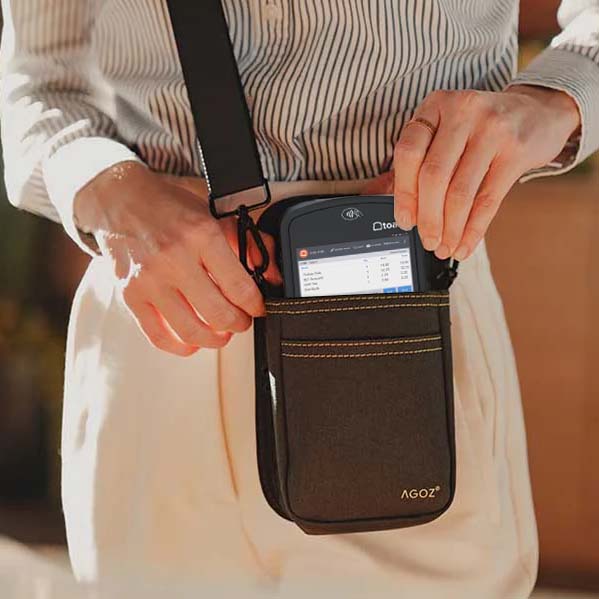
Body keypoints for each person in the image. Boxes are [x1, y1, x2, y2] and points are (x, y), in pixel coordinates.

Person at [1, 1, 598, 596]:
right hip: (168, 322)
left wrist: (553, 102)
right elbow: (39, 82)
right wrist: (110, 194)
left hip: (411, 345)